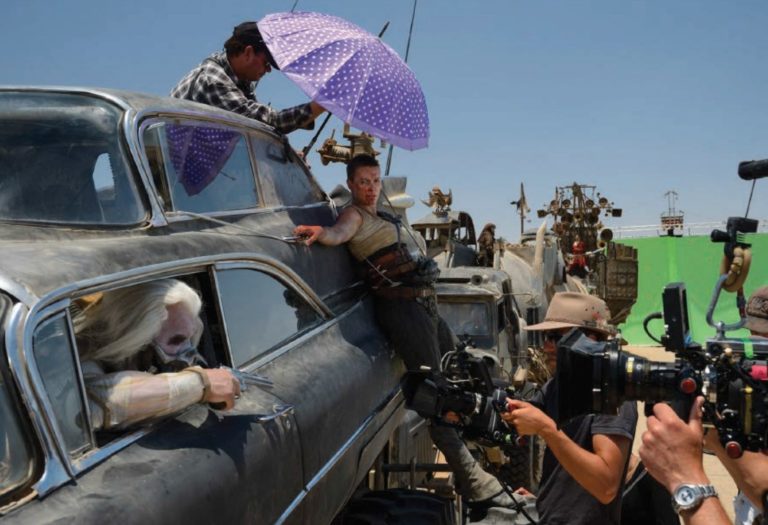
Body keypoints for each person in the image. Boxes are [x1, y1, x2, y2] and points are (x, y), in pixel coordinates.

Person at [292, 154, 512, 508]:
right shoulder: (354, 215)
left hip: (425, 305)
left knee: (463, 368)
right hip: (403, 310)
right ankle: (474, 481)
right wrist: (322, 234)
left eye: (375, 181)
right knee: (434, 392)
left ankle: (486, 438)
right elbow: (338, 233)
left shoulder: (383, 214)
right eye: (363, 182)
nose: (371, 188)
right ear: (351, 184)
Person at [501, 292, 638, 525]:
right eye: (546, 336)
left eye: (556, 337)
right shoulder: (560, 383)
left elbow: (605, 486)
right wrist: (545, 499)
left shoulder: (613, 395)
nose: (547, 346)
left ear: (590, 339)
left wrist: (546, 429)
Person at [74, 279, 240, 431]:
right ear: (137, 341)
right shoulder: (79, 356)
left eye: (189, 338)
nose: (189, 353)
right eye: (176, 341)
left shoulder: (185, 329)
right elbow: (85, 407)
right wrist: (201, 383)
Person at [171, 21, 325, 135]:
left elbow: (261, 132)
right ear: (248, 53)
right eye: (266, 63)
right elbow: (268, 123)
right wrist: (322, 103)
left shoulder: (238, 80)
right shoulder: (214, 81)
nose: (268, 70)